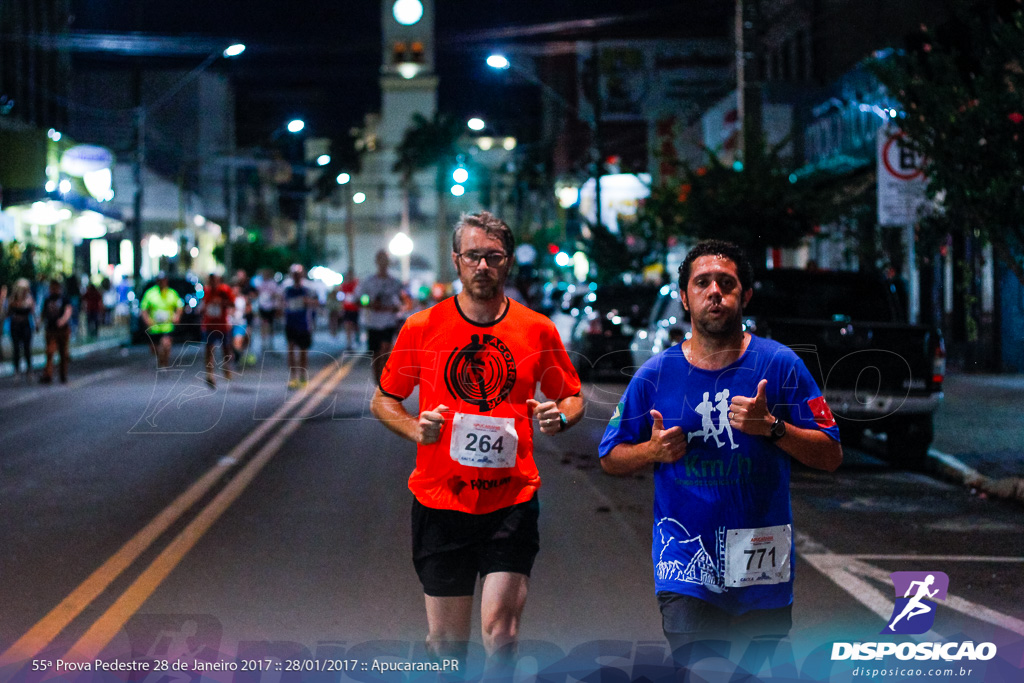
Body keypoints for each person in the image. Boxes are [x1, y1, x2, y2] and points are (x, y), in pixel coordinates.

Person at [598, 239, 842, 664]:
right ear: (685, 299)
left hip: (760, 561)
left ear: (744, 296)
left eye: (726, 283)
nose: (715, 291)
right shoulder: (656, 374)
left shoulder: (780, 365)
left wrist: (773, 428)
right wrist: (650, 451)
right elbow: (609, 456)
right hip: (685, 561)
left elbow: (831, 454)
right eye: (702, 283)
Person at [369, 211, 585, 668]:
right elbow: (384, 400)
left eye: (493, 257)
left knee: (501, 633)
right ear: (456, 260)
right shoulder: (422, 327)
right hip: (440, 502)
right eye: (473, 256)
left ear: (507, 263)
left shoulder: (536, 329)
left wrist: (558, 419)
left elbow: (572, 398)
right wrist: (414, 427)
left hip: (511, 501)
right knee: (447, 645)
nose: (483, 266)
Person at [357, 249, 404, 384]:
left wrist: (397, 307)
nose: (383, 263)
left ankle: (384, 382)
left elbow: (402, 300)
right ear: (377, 262)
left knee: (385, 352)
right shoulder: (369, 281)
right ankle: (377, 381)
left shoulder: (394, 281)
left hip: (388, 322)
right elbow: (358, 299)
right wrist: (370, 304)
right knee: (376, 355)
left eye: (385, 260)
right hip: (373, 322)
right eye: (381, 260)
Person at [282, 264, 318, 390]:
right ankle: (293, 377)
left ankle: (303, 375)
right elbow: (281, 301)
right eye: (294, 274)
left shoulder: (308, 288)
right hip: (290, 323)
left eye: (298, 274)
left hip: (304, 323)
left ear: (302, 274)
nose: (296, 276)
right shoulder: (287, 288)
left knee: (303, 351)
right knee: (291, 349)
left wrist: (308, 302)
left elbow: (318, 302)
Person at [139, 272, 183, 369]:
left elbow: (179, 306)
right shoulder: (150, 293)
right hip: (154, 327)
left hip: (167, 326)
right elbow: (143, 309)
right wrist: (147, 320)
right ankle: (161, 360)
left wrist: (177, 316)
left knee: (166, 344)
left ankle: (164, 362)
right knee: (154, 349)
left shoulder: (172, 293)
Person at [199, 273, 236, 388]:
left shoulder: (225, 290)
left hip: (222, 325)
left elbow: (232, 303)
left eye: (214, 280)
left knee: (226, 349)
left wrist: (220, 302)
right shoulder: (205, 290)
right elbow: (201, 303)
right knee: (209, 349)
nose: (212, 282)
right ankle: (210, 374)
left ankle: (226, 367)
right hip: (209, 324)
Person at [40, 278, 73, 384]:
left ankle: (63, 375)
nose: (53, 290)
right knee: (50, 352)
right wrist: (38, 323)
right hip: (50, 329)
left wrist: (63, 320)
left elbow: (68, 310)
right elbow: (43, 313)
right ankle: (48, 375)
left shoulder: (64, 299)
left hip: (62, 330)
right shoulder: (47, 299)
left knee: (63, 353)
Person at [6, 279, 37, 382]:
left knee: (27, 348)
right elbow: (7, 313)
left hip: (25, 325)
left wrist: (37, 323)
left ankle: (29, 370)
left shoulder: (29, 299)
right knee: (16, 349)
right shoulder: (12, 299)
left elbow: (33, 312)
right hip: (15, 326)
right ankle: (17, 371)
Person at [256, 268, 282, 354]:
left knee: (270, 326)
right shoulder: (261, 284)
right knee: (263, 325)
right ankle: (264, 344)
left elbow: (276, 295)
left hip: (270, 307)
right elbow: (258, 295)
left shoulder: (272, 284)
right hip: (263, 307)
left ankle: (271, 344)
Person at [339, 269, 360, 350]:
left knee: (355, 326)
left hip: (355, 308)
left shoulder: (356, 284)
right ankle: (349, 343)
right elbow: (341, 297)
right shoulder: (343, 285)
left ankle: (356, 338)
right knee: (347, 325)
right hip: (347, 309)